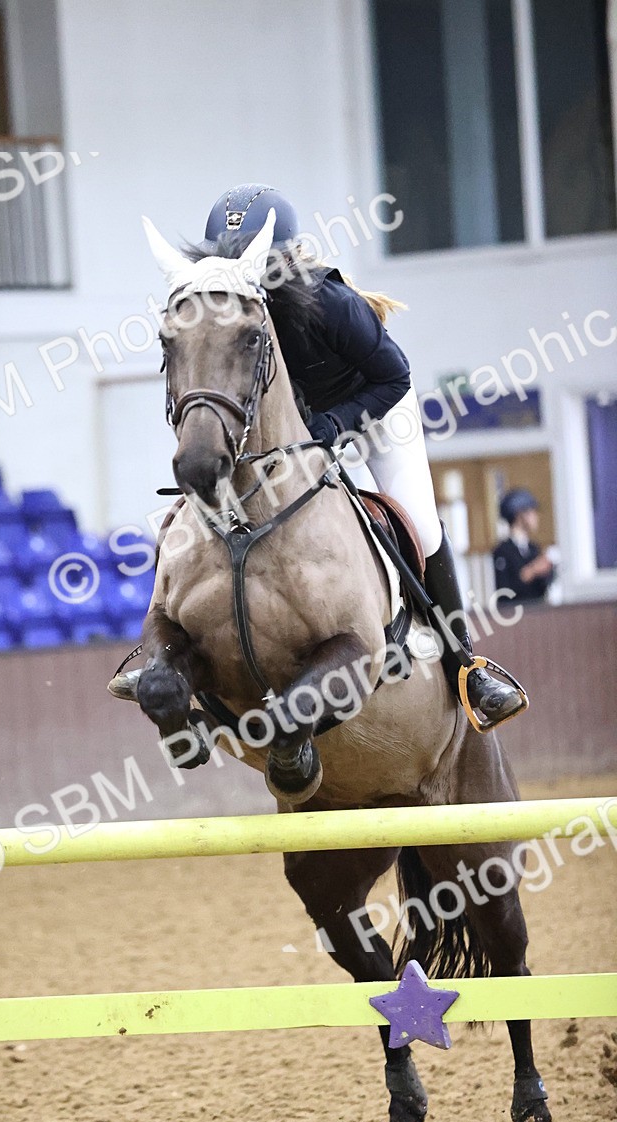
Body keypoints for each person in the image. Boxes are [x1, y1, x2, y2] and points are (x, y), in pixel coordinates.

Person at [202, 183, 525, 726]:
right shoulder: (236, 314)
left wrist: (336, 425)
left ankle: (465, 666)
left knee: (418, 525)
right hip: (305, 428)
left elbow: (393, 377)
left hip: (376, 410)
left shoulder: (331, 302)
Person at [493, 489, 556, 604]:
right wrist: (532, 570)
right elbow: (504, 590)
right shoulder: (503, 551)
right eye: (532, 512)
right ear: (520, 515)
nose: (536, 517)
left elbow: (543, 588)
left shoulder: (533, 548)